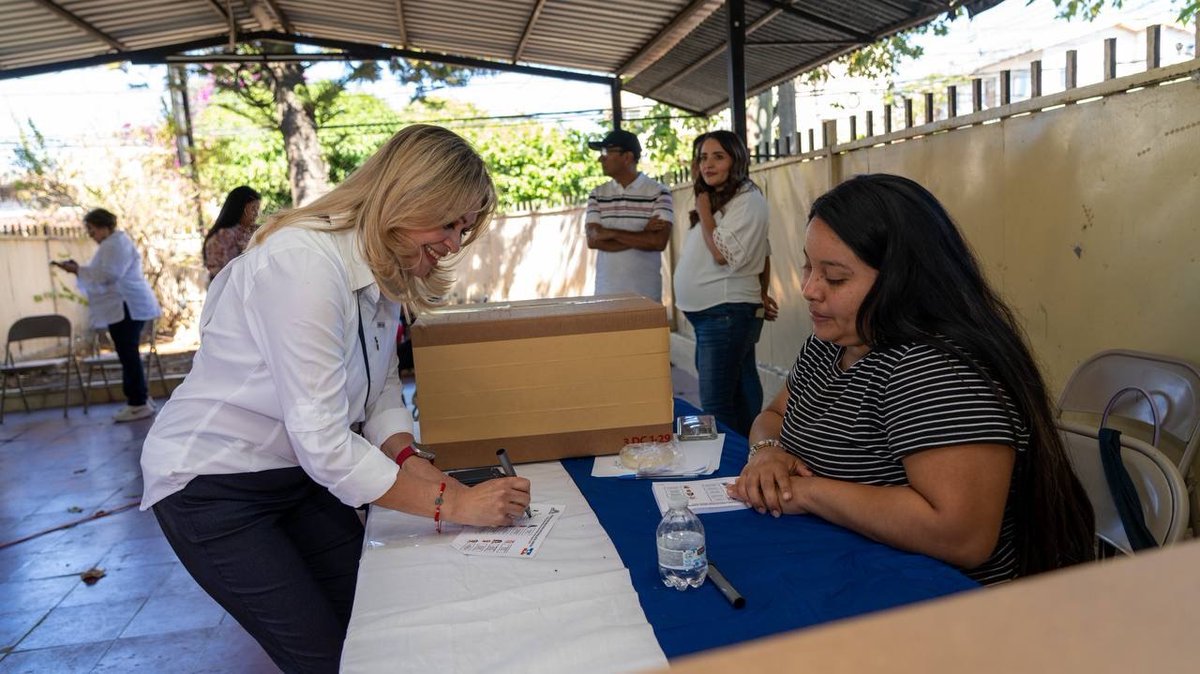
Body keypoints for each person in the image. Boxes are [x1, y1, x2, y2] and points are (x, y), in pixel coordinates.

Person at [139, 124, 531, 673]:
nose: (453, 244)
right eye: (448, 223)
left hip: (296, 474)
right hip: (214, 487)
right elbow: (323, 439)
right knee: (327, 657)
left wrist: (413, 463)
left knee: (377, 621)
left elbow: (381, 386)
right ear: (405, 197)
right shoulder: (302, 262)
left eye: (463, 229)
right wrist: (456, 504)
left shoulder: (383, 262)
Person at [727, 173, 1095, 585]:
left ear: (904, 280)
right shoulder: (830, 342)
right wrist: (767, 452)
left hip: (939, 603)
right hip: (846, 567)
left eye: (834, 278)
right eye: (808, 267)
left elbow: (962, 535)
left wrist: (807, 492)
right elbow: (775, 414)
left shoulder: (934, 370)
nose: (810, 289)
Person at [672, 130, 775, 436]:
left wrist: (703, 210)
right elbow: (764, 250)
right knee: (739, 393)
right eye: (703, 157)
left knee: (717, 403)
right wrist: (762, 291)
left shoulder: (747, 200)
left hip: (725, 313)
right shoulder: (725, 199)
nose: (708, 164)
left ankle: (726, 469)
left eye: (718, 156)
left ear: (736, 160)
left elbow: (721, 253)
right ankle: (750, 456)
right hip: (717, 314)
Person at [54, 208, 161, 422]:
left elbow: (110, 274)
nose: (91, 234)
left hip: (126, 306)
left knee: (127, 353)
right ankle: (140, 398)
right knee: (127, 354)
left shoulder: (115, 244)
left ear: (103, 226)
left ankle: (138, 402)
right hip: (124, 306)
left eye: (92, 229)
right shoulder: (112, 244)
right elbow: (103, 273)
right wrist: (80, 270)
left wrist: (78, 271)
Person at [584, 129, 674, 301]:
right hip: (605, 297)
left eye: (607, 152)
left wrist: (611, 233)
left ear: (627, 157)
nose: (600, 158)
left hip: (646, 297)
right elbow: (593, 240)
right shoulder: (597, 194)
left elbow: (658, 242)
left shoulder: (659, 192)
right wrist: (643, 234)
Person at [202, 185, 261, 281]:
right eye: (253, 209)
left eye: (257, 209)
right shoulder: (222, 237)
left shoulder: (253, 230)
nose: (256, 214)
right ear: (240, 208)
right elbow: (226, 275)